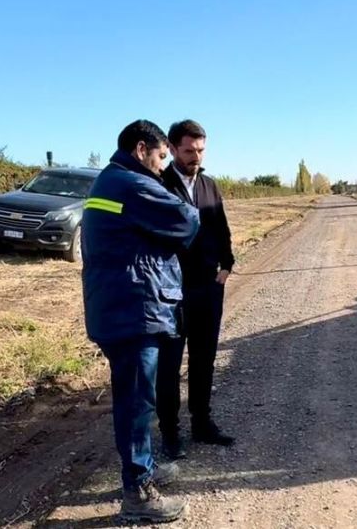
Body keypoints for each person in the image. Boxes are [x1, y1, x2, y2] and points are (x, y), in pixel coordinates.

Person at [81, 119, 200, 524]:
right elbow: (188, 220)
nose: (164, 164)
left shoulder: (111, 180)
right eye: (161, 155)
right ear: (140, 150)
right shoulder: (133, 184)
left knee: (137, 397)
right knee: (135, 402)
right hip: (133, 309)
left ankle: (142, 469)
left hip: (120, 304)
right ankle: (138, 493)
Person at [157, 119, 235, 460]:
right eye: (189, 150)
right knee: (169, 365)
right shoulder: (159, 184)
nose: (196, 156)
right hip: (172, 293)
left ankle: (202, 424)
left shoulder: (209, 185)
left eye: (201, 150)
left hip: (208, 288)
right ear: (173, 149)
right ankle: (170, 434)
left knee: (204, 360)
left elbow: (221, 227)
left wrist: (227, 265)